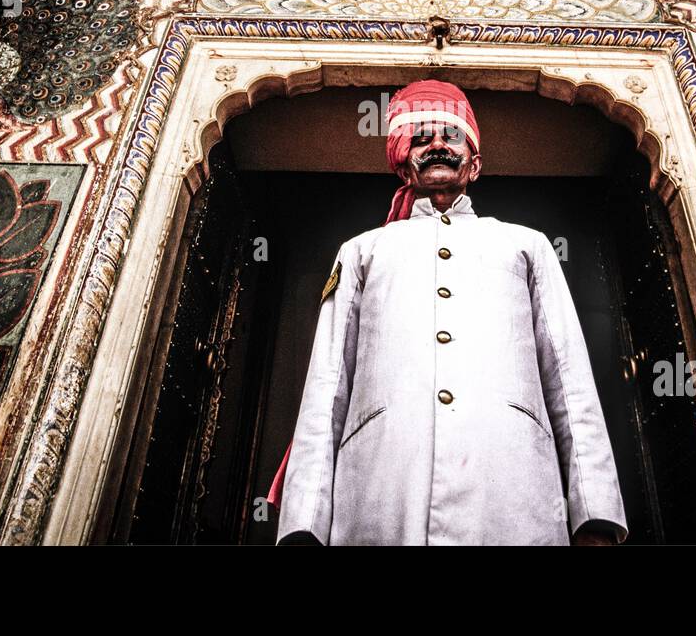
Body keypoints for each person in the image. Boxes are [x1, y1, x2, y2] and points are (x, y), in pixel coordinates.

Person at [269, 79, 628, 545]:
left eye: (450, 137)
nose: (437, 145)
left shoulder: (526, 245)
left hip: (513, 494)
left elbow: (569, 380)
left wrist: (594, 515)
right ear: (404, 166)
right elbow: (326, 388)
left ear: (474, 164)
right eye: (421, 138)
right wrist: (303, 525)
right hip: (381, 494)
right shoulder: (361, 251)